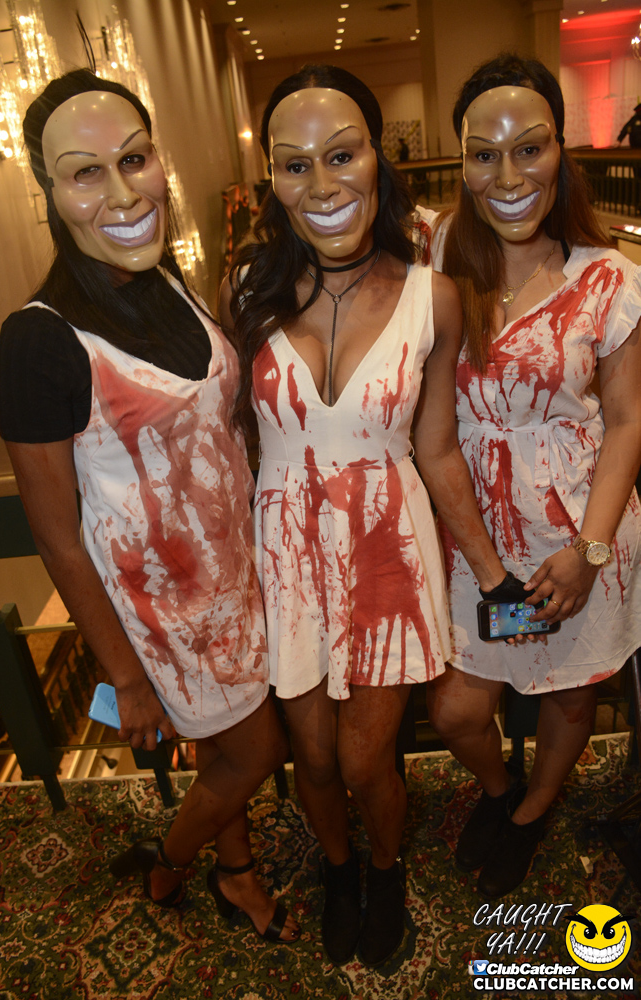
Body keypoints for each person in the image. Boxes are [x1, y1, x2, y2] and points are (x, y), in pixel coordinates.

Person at [0, 69, 300, 942]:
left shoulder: (169, 279)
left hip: (235, 573)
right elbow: (56, 536)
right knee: (257, 751)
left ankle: (235, 870)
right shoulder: (39, 339)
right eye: (85, 173)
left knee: (227, 748)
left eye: (134, 159)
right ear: (50, 192)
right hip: (162, 612)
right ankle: (168, 857)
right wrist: (126, 676)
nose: (124, 194)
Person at [220, 64, 513, 965]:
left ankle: (384, 869)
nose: (322, 184)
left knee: (361, 760)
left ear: (376, 159)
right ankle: (339, 868)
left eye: (341, 155)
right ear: (273, 179)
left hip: (387, 550)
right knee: (310, 758)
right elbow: (225, 440)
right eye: (294, 163)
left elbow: (437, 448)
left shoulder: (434, 296)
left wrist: (493, 574)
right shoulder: (245, 289)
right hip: (285, 554)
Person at [422, 53, 641, 899]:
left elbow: (625, 422)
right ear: (462, 160)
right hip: (472, 530)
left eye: (529, 148)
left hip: (577, 528)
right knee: (456, 709)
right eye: (484, 154)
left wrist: (588, 552)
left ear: (560, 149)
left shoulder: (609, 279)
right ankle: (497, 787)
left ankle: (531, 809)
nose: (508, 176)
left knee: (571, 696)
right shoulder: (438, 253)